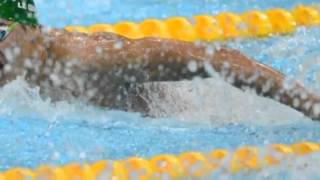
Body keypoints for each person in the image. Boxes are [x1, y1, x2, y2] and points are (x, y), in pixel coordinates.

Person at [0, 0, 319, 121]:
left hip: (186, 119)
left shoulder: (92, 60)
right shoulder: (19, 67)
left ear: (30, 30)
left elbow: (219, 59)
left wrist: (310, 105)